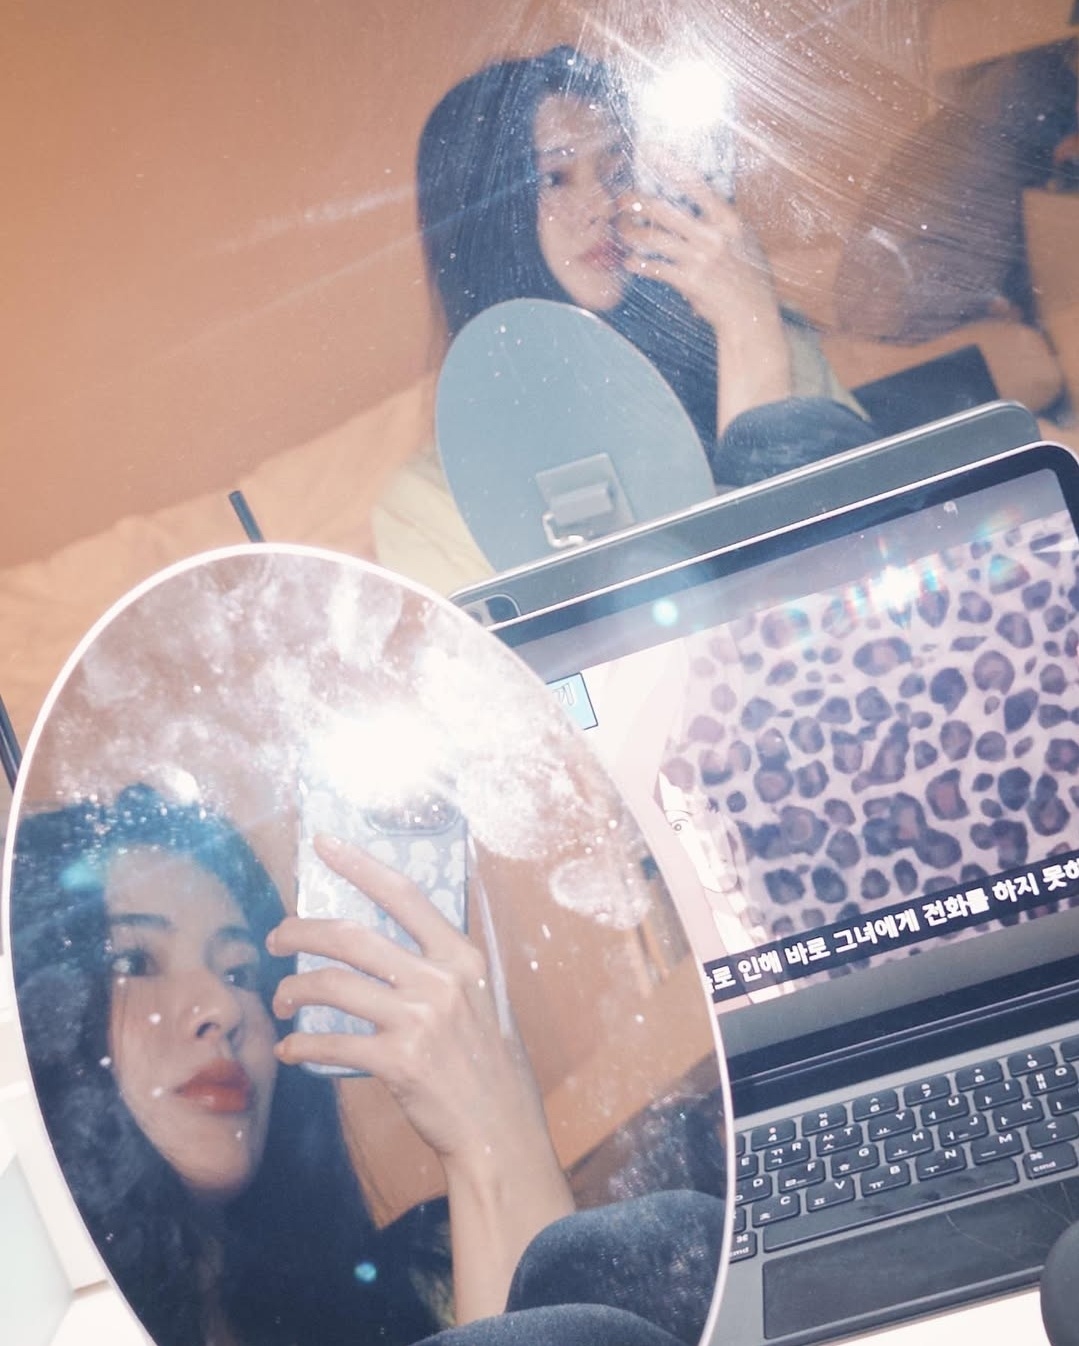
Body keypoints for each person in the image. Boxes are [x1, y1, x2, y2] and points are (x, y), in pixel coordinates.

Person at [10, 784, 724, 1346]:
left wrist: (490, 1139)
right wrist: (494, 1142)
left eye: (240, 973)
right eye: (135, 962)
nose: (223, 1008)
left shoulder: (417, 1288)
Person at [416, 44, 877, 491]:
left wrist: (747, 328)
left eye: (617, 171)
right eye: (554, 179)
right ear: (484, 218)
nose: (604, 205)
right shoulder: (437, 497)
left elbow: (866, 526)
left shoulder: (761, 340)